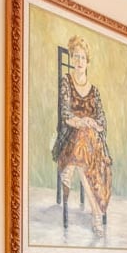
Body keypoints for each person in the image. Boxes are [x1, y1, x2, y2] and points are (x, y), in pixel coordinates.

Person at [51, 34, 112, 237]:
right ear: (71, 58)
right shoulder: (66, 81)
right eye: (75, 56)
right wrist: (81, 122)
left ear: (88, 62)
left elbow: (102, 121)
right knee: (83, 138)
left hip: (92, 144)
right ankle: (96, 214)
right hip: (69, 138)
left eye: (82, 57)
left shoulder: (94, 91)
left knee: (86, 140)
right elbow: (65, 114)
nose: (78, 61)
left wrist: (92, 122)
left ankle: (69, 168)